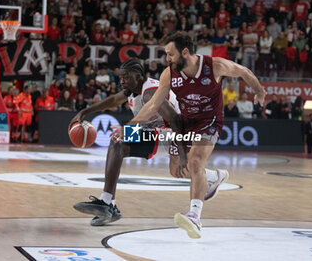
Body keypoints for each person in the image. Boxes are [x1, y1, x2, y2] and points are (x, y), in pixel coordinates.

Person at [112, 32, 266, 239]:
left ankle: (194, 216)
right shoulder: (169, 74)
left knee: (194, 160)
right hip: (186, 123)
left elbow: (244, 71)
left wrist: (259, 91)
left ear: (185, 52)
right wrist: (128, 128)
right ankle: (214, 177)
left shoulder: (215, 65)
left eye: (170, 54)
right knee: (177, 171)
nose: (167, 59)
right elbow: (153, 105)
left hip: (210, 122)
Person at [70, 59, 229, 226]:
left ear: (138, 76)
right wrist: (84, 112)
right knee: (173, 170)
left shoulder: (149, 92)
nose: (122, 81)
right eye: (121, 77)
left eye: (126, 77)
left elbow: (174, 119)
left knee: (121, 142)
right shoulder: (132, 90)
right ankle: (213, 176)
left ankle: (107, 203)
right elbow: (113, 101)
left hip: (179, 131)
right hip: (163, 131)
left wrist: (182, 155)